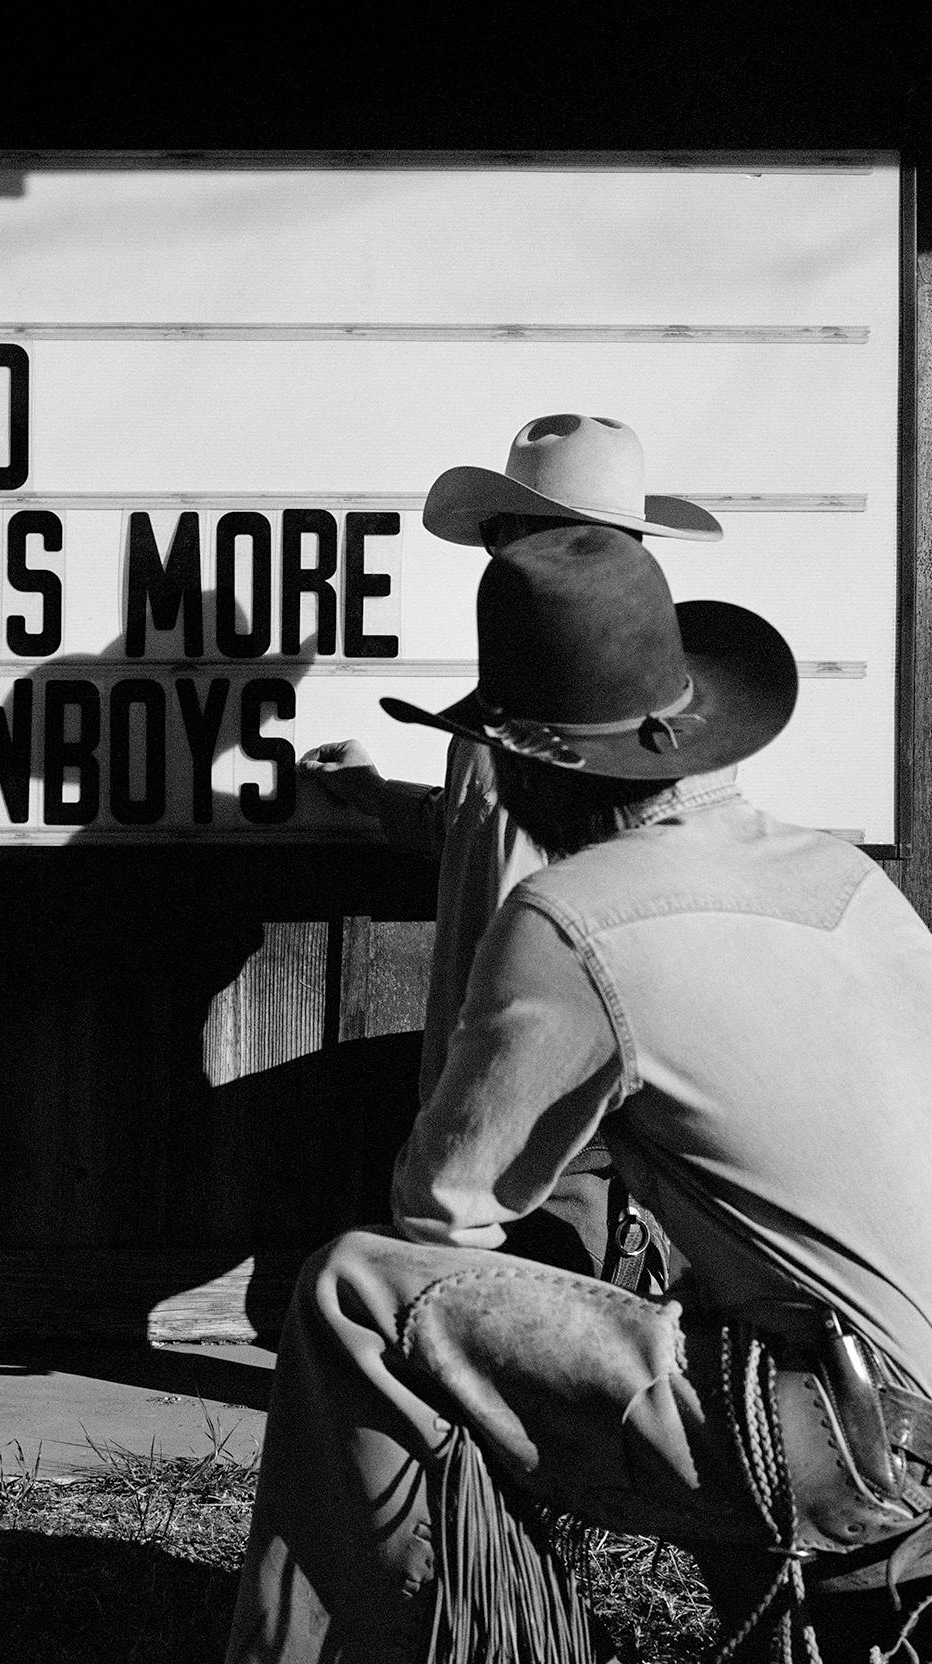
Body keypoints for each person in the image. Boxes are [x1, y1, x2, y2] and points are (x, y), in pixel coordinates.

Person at [220, 526, 932, 1664]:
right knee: (715, 1295)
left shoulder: (572, 918)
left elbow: (441, 1220)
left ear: (518, 762)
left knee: (362, 1298)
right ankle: (926, 1631)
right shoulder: (842, 875)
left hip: (868, 1435)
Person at [302, 415, 718, 1285]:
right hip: (569, 1094)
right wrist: (380, 798)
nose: (496, 553)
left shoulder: (532, 733)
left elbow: (525, 910)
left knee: (530, 1322)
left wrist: (485, 1103)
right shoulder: (617, 715)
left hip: (538, 1103)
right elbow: (484, 836)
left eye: (506, 532)